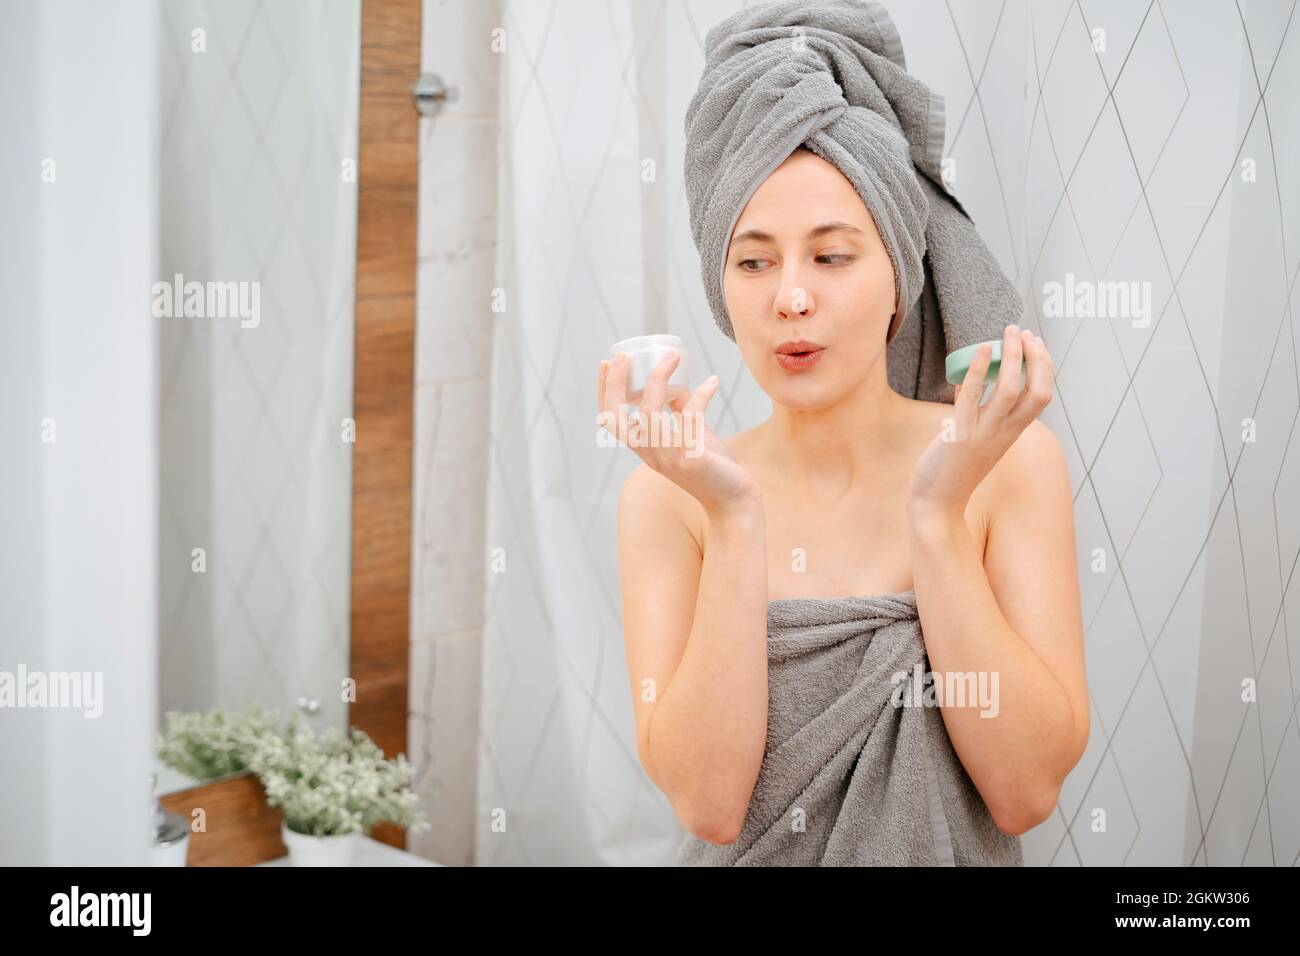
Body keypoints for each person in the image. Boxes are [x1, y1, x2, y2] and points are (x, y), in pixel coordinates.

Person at [596, 145, 1088, 865]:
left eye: (831, 257)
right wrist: (733, 517)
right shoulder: (671, 496)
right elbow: (709, 806)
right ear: (721, 290)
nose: (790, 299)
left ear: (899, 280)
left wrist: (939, 516)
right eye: (754, 262)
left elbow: (1025, 792)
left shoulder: (1004, 460)